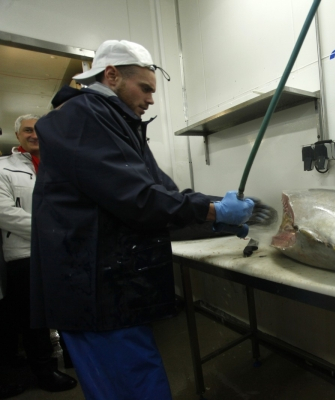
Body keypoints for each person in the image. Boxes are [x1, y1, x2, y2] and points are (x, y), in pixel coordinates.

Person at [30, 40, 256, 400]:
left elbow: (163, 193)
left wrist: (214, 218)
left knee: (132, 379)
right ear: (112, 75)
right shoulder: (81, 118)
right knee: (130, 387)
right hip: (93, 288)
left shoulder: (118, 124)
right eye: (146, 88)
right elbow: (139, 199)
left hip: (111, 286)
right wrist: (213, 211)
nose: (152, 99)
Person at [0, 115, 78, 397]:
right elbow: (4, 213)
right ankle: (45, 372)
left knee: (68, 309)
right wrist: (50, 230)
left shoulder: (59, 165)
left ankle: (74, 359)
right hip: (24, 254)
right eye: (27, 130)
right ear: (17, 135)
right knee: (36, 319)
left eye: (39, 130)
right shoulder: (3, 168)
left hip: (62, 251)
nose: (34, 134)